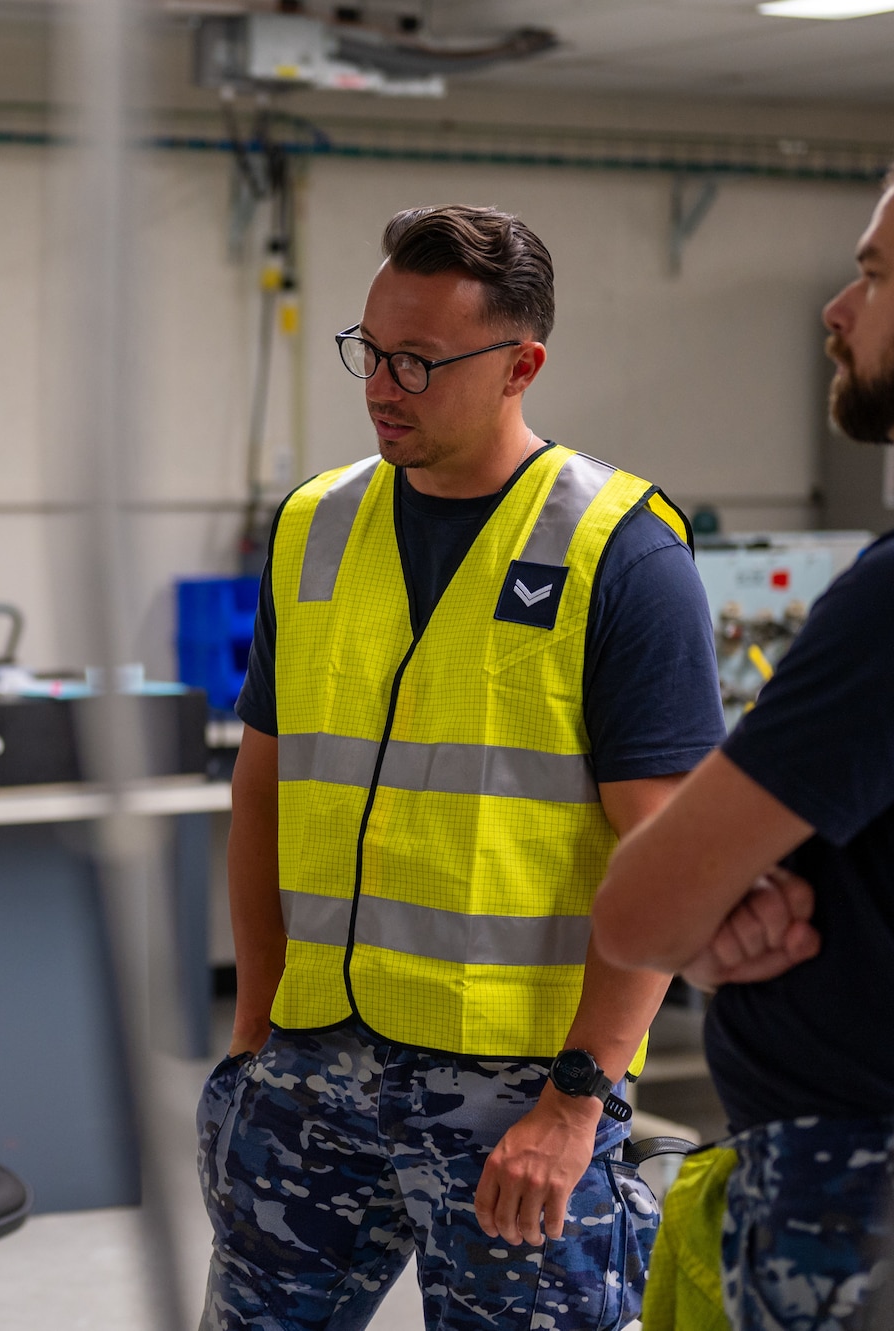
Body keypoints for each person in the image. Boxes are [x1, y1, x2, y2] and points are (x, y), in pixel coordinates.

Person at [199, 205, 726, 1329]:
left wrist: (578, 1097)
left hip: (515, 1098)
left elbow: (667, 857)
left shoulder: (618, 551)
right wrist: (253, 1027)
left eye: (419, 361)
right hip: (305, 1071)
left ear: (519, 364)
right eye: (368, 350)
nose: (382, 383)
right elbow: (263, 792)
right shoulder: (311, 528)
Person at [591, 133, 894, 1331]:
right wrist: (715, 923)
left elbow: (638, 909)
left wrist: (703, 920)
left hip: (875, 1191)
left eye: (871, 271)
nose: (836, 306)